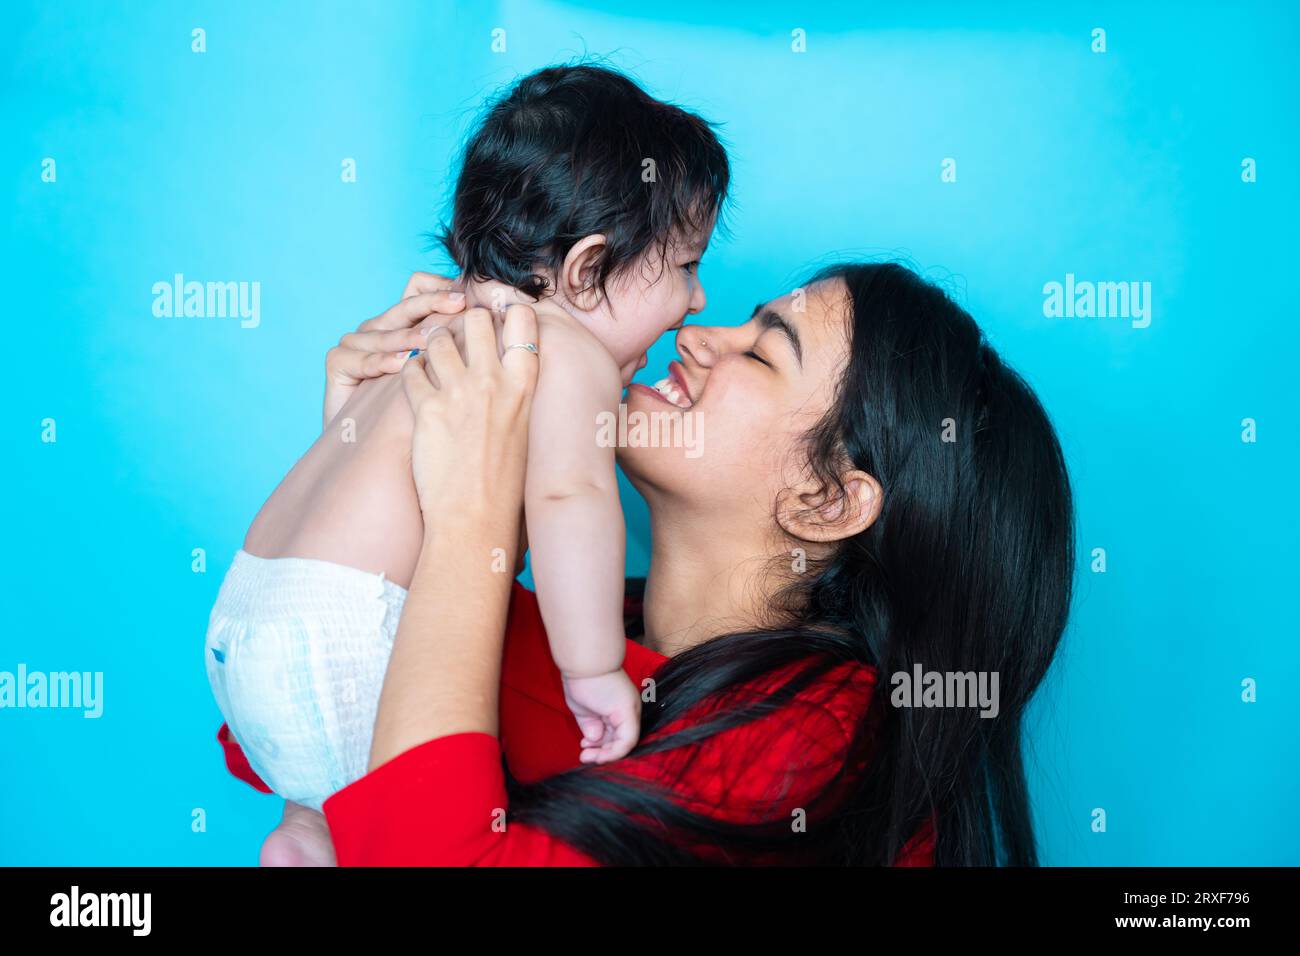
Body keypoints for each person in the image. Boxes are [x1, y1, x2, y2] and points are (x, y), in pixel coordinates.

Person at [219, 260, 1074, 866]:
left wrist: (462, 515)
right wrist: (360, 443)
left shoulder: (817, 736)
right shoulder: (582, 635)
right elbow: (290, 734)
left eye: (763, 351)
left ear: (829, 501)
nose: (699, 336)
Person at [202, 64, 730, 846]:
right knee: (404, 818)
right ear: (587, 270)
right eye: (685, 266)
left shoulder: (440, 329)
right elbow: (567, 503)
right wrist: (592, 671)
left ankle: (303, 832)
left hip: (244, 619)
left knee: (330, 810)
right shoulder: (557, 347)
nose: (697, 300)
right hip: (351, 634)